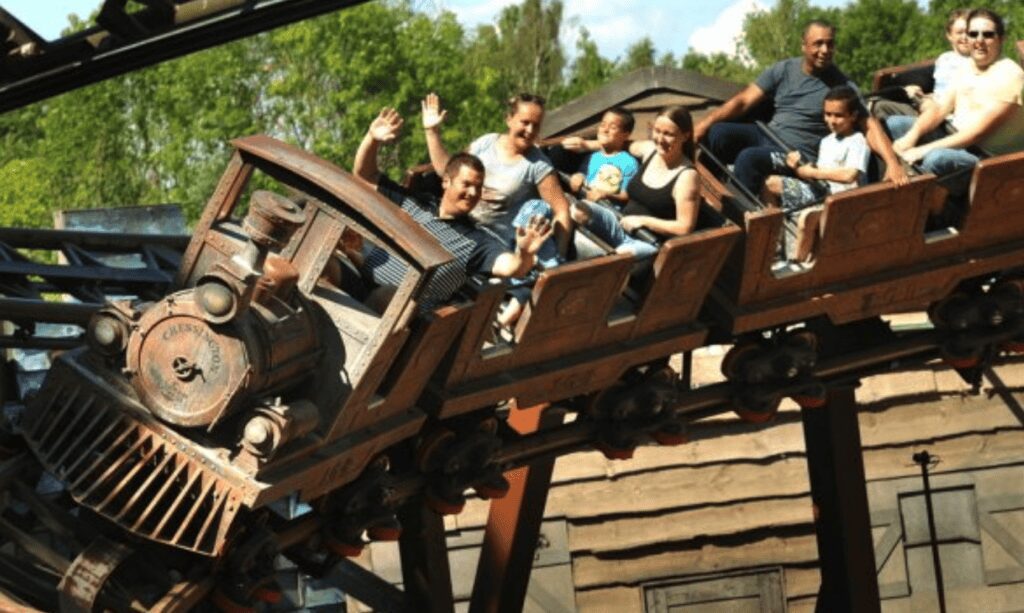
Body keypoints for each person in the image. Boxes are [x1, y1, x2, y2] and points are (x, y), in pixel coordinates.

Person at [351, 107, 552, 313]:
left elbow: (513, 267)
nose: (473, 192)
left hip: (401, 315)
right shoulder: (414, 203)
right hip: (361, 281)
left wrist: (525, 253)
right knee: (329, 265)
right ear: (446, 181)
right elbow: (365, 176)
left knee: (387, 295)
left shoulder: (477, 241)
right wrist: (372, 139)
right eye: (466, 184)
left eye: (478, 186)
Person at [694, 20, 908, 197]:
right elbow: (743, 101)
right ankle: (707, 195)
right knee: (717, 134)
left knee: (749, 159)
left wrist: (892, 163)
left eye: (830, 44)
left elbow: (869, 125)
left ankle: (742, 223)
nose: (825, 50)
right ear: (804, 45)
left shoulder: (843, 87)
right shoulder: (783, 70)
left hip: (794, 153)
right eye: (818, 44)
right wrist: (701, 126)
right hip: (768, 133)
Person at [886, 8, 1024, 200]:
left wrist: (921, 150)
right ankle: (889, 189)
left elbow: (976, 133)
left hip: (991, 160)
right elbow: (940, 109)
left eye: (988, 34)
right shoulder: (967, 67)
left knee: (938, 158)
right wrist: (912, 136)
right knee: (894, 124)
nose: (979, 40)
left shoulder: (1010, 75)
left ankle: (932, 214)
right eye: (973, 34)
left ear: (1001, 39)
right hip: (957, 138)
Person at [422, 92, 572, 260]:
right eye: (525, 122)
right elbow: (448, 173)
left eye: (535, 125)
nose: (530, 130)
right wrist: (432, 132)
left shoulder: (538, 165)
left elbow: (561, 210)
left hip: (495, 245)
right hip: (461, 226)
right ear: (509, 119)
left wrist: (560, 256)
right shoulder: (486, 143)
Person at [564, 105, 702, 259]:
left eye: (668, 134)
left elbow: (685, 227)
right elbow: (621, 143)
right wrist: (587, 145)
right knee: (578, 209)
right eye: (657, 131)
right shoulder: (650, 150)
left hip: (648, 241)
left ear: (685, 136)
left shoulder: (687, 176)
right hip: (620, 222)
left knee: (619, 258)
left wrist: (644, 221)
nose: (660, 139)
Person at [763, 86, 871, 262]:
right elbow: (817, 174)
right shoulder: (826, 142)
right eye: (828, 115)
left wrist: (814, 172)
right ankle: (774, 247)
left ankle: (797, 264)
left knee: (806, 217)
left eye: (839, 115)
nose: (832, 121)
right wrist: (798, 168)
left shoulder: (857, 141)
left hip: (843, 202)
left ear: (853, 116)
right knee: (771, 183)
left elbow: (850, 175)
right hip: (820, 193)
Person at [872, 8, 973, 120]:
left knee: (896, 122)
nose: (965, 37)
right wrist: (910, 89)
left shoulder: (978, 64)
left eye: (969, 33)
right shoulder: (945, 60)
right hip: (929, 110)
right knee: (876, 106)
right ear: (949, 35)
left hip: (949, 118)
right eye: (960, 32)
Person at [566, 108, 639, 206]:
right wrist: (578, 177)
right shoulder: (592, 157)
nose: (605, 130)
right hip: (584, 203)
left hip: (607, 209)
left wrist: (605, 194)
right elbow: (583, 175)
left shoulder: (629, 162)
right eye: (603, 125)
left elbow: (627, 194)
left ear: (625, 135)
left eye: (612, 127)